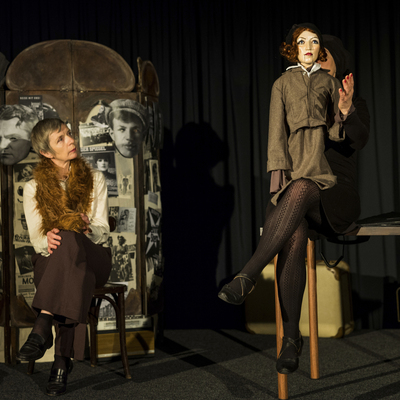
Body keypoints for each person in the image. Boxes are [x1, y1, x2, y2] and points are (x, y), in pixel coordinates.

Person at [218, 23, 369, 375]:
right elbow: (277, 141)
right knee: (294, 229)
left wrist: (346, 109)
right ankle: (291, 339)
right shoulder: (291, 92)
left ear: (336, 63)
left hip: (337, 197)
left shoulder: (348, 99)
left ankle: (248, 274)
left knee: (301, 188)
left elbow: (358, 139)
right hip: (300, 197)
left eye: (323, 55)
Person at [17, 118, 112, 396]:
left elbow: (103, 230)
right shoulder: (33, 188)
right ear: (46, 152)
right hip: (56, 260)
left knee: (71, 239)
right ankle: (61, 362)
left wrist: (89, 228)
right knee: (68, 258)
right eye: (61, 139)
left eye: (69, 134)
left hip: (95, 257)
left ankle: (43, 323)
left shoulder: (95, 179)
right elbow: (37, 239)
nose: (71, 140)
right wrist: (47, 239)